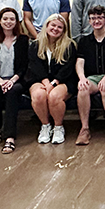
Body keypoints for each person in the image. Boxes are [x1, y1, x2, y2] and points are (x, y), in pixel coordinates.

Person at [74, 5, 105, 146]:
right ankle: (84, 129)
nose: (96, 21)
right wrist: (82, 78)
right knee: (82, 89)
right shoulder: (84, 41)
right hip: (92, 78)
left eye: (100, 17)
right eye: (93, 18)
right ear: (89, 21)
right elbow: (79, 62)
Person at [0, 7, 29, 154]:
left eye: (12, 19)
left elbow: (24, 67)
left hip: (17, 80)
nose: (8, 22)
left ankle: (10, 137)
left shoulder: (23, 40)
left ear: (16, 22)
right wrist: (1, 81)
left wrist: (12, 81)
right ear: (0, 21)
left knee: (12, 92)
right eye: (5, 19)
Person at [26, 14, 77, 144]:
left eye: (60, 27)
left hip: (63, 80)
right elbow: (35, 66)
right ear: (47, 26)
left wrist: (53, 83)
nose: (55, 29)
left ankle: (58, 127)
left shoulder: (69, 45)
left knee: (54, 96)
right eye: (53, 25)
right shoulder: (35, 45)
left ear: (64, 30)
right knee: (38, 95)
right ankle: (45, 126)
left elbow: (67, 68)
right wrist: (46, 82)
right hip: (39, 79)